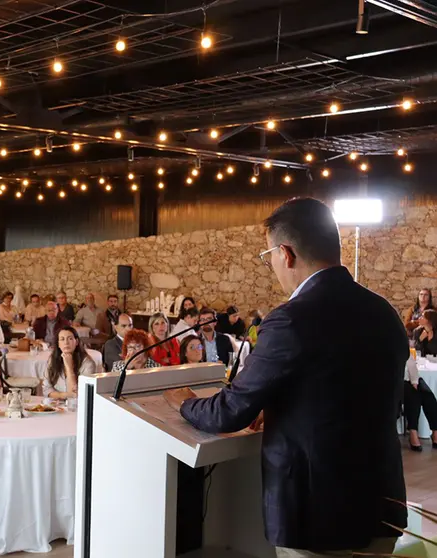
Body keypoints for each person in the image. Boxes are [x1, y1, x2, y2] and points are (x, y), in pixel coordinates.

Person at [165, 197, 408, 556]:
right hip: (379, 500)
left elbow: (231, 411)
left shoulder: (291, 319)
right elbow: (346, 393)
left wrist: (186, 403)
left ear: (286, 253)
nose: (273, 266)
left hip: (317, 511)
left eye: (269, 258)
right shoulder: (384, 312)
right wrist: (281, 406)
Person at [43, 326, 96, 399]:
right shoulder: (53, 360)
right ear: (58, 344)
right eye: (62, 339)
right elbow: (46, 389)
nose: (66, 342)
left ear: (76, 342)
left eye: (70, 338)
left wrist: (69, 367)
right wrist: (64, 395)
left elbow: (78, 395)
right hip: (56, 405)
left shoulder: (88, 364)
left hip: (77, 406)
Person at [402, 355, 437, 451]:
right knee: (413, 397)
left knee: (428, 395)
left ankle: (435, 431)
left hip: (413, 378)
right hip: (398, 380)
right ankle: (413, 431)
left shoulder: (403, 347)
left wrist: (414, 381)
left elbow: (411, 363)